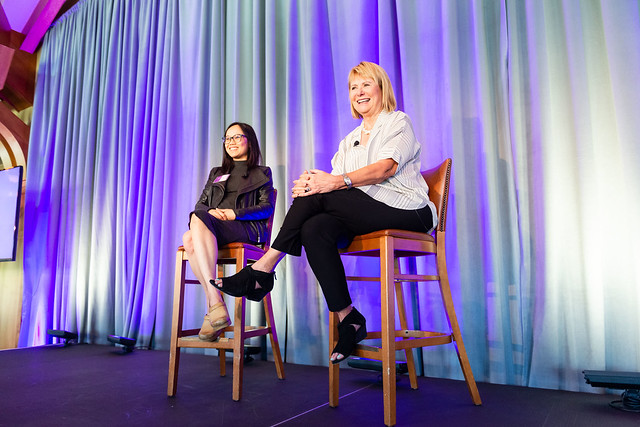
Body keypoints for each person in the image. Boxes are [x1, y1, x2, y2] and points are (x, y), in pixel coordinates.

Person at [214, 61, 437, 363]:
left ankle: (263, 270)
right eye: (353, 87)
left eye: (366, 84)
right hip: (368, 213)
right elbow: (330, 189)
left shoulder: (398, 122)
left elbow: (386, 168)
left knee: (319, 194)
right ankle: (349, 319)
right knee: (313, 228)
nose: (360, 92)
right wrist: (312, 185)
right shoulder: (349, 140)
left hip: (409, 210)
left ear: (381, 89)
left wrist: (329, 183)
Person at [182, 122, 275, 341]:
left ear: (249, 140)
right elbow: (201, 204)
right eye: (227, 138)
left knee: (191, 235)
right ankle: (216, 303)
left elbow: (267, 207)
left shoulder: (262, 173)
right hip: (215, 227)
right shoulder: (217, 173)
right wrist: (212, 213)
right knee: (190, 235)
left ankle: (214, 306)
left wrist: (234, 213)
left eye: (236, 137)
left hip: (244, 229)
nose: (231, 142)